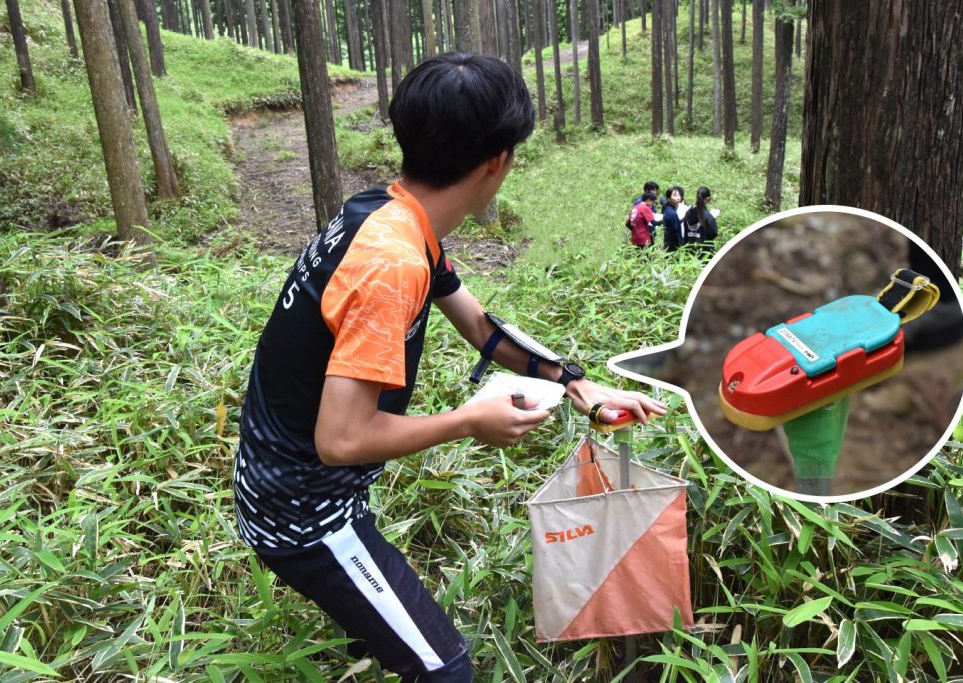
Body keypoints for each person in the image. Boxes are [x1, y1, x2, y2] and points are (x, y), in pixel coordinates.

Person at [232, 53, 665, 683]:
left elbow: (480, 326)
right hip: (303, 514)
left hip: (276, 473)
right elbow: (342, 439)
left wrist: (574, 382)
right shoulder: (392, 264)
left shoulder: (391, 214)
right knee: (446, 671)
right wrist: (466, 421)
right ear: (498, 161)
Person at [682, 186, 719, 253]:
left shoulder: (688, 213)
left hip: (690, 249)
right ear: (708, 199)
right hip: (705, 251)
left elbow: (685, 229)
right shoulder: (707, 215)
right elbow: (714, 233)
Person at [662, 186, 684, 251]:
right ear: (668, 199)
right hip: (673, 247)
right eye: (674, 195)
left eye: (679, 195)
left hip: (668, 243)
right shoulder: (672, 213)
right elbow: (676, 232)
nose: (678, 197)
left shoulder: (667, 209)